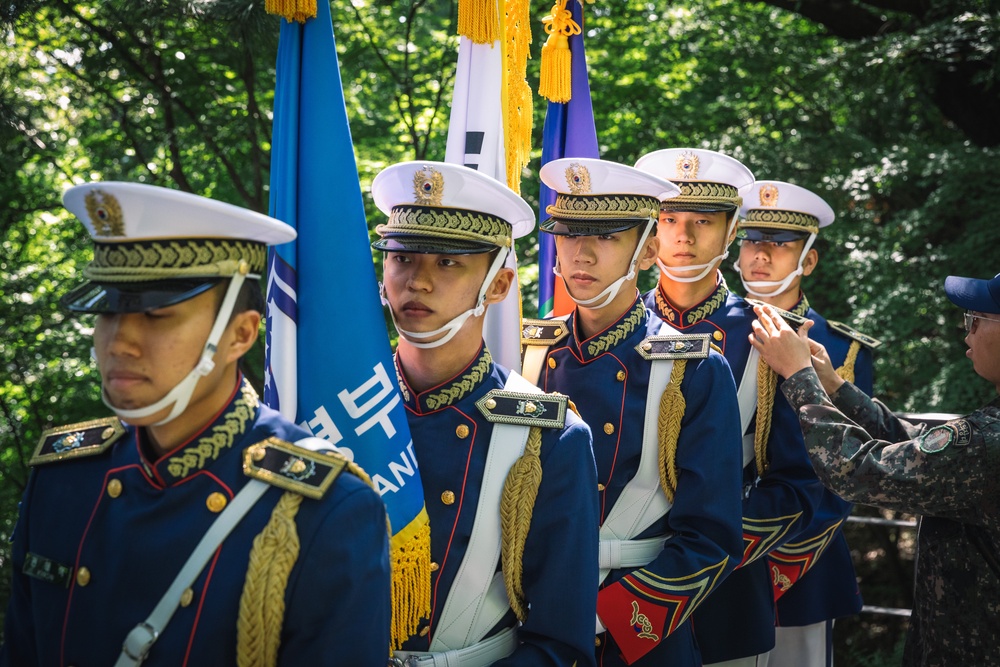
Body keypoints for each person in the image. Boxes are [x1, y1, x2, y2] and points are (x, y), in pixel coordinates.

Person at [0, 183, 392, 666]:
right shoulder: (63, 477)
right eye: (107, 311)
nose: (120, 342)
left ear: (240, 335)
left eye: (156, 315)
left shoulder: (323, 511)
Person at [371, 161, 600, 666]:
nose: (418, 282)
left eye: (449, 263)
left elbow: (560, 643)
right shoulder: (336, 411)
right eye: (403, 257)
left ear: (498, 287)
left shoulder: (548, 438)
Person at [520, 157, 744, 666]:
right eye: (569, 234)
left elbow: (711, 537)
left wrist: (611, 614)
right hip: (531, 625)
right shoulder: (530, 352)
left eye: (606, 237)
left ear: (645, 251)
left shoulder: (695, 369)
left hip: (637, 634)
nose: (581, 252)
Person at [749, 271, 1000, 667]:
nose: (966, 331)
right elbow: (914, 444)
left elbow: (856, 469)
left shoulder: (987, 443)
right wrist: (833, 385)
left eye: (976, 319)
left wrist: (798, 377)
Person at [635, 148, 823, 666]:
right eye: (668, 219)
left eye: (703, 221)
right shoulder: (608, 331)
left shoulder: (770, 336)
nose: (683, 236)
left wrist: (705, 548)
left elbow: (798, 483)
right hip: (608, 583)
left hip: (725, 586)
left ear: (732, 228)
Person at [734, 180, 879, 667]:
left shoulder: (843, 350)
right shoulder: (702, 336)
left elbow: (852, 466)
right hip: (712, 554)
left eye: (779, 245)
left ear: (808, 260)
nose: (761, 255)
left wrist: (775, 561)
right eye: (752, 242)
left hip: (802, 564)